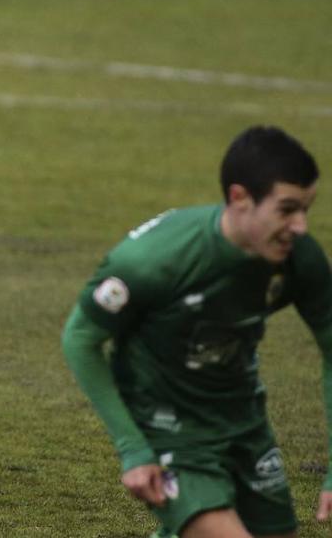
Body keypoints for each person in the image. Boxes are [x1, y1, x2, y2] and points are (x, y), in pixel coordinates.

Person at [62, 126, 332, 537]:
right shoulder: (154, 260)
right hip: (166, 427)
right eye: (287, 209)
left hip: (244, 421)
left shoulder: (298, 261)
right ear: (239, 198)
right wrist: (133, 449)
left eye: (306, 209)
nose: (299, 225)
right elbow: (80, 339)